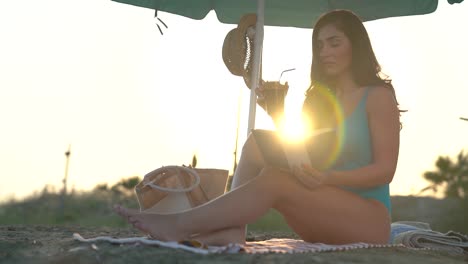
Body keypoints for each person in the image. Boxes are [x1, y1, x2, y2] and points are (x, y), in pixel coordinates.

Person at [114, 9, 400, 246]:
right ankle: (229, 229)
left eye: (334, 43)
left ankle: (179, 225)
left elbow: (385, 171)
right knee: (258, 143)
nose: (325, 51)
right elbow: (301, 158)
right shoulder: (321, 100)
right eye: (320, 45)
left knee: (276, 179)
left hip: (367, 222)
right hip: (321, 214)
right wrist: (277, 115)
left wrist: (327, 178)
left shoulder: (377, 96)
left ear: (356, 45)